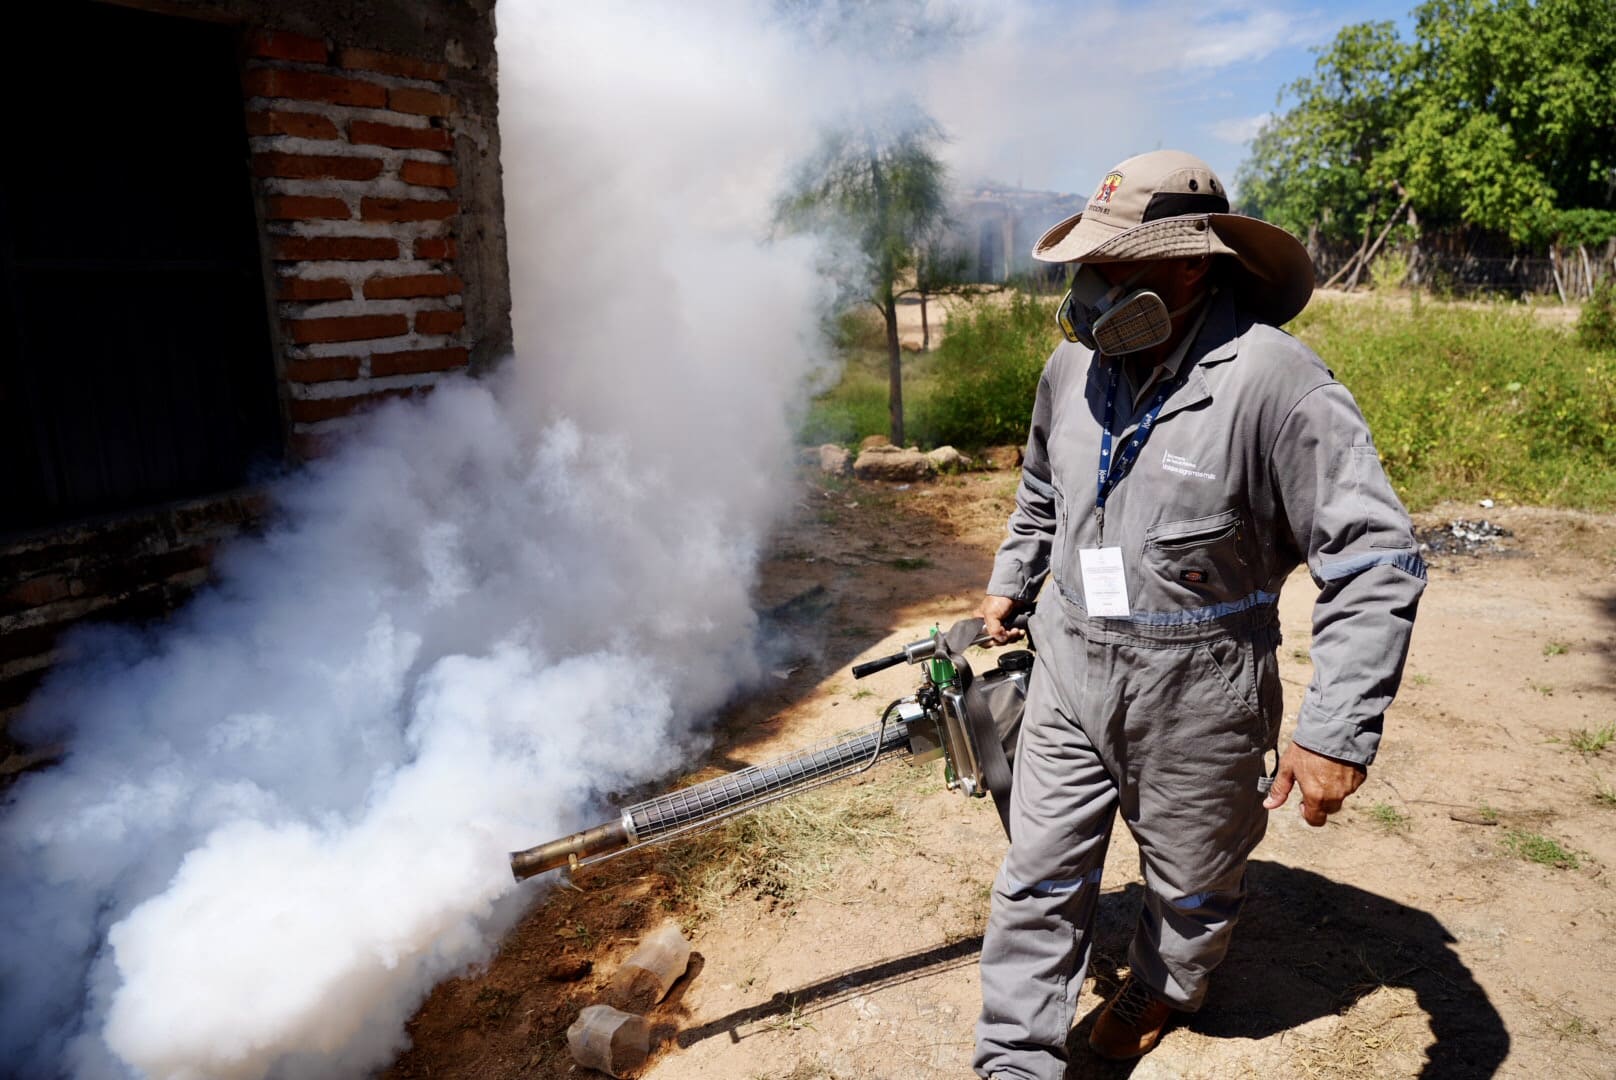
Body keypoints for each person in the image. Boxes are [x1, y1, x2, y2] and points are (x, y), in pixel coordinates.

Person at [971, 150, 1425, 1079]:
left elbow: (1375, 559)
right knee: (1037, 877)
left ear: (1187, 266)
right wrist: (1012, 576)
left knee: (1193, 882)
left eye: (1111, 268)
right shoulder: (1073, 369)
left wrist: (1337, 729)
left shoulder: (1276, 384)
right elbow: (1039, 490)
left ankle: (1168, 985)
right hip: (1068, 662)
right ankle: (1013, 1061)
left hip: (1201, 689)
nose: (1088, 292)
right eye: (1085, 270)